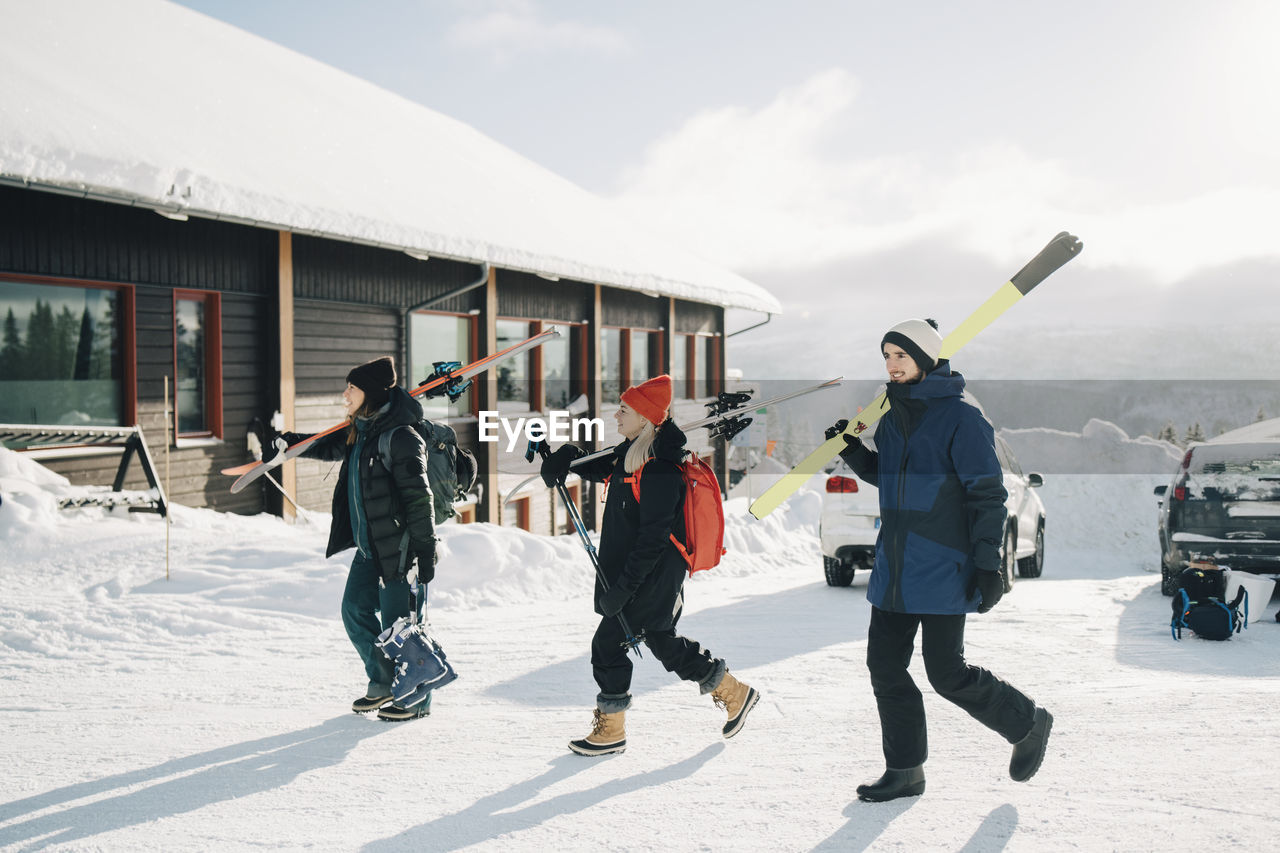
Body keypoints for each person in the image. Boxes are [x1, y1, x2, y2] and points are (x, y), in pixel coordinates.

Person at [829, 318, 1052, 802]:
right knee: (884, 667)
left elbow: (987, 496)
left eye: (900, 356)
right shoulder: (891, 417)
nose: (891, 365)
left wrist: (988, 563)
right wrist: (852, 452)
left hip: (943, 566)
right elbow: (888, 478)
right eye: (886, 356)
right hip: (894, 566)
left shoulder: (962, 420)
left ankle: (1028, 722)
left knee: (946, 672)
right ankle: (905, 770)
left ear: (926, 359)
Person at [540, 374, 760, 755]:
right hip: (640, 572)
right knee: (661, 641)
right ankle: (734, 691)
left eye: (623, 410)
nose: (615, 415)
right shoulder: (632, 454)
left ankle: (611, 730)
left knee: (608, 644)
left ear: (644, 417)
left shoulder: (661, 469)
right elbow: (595, 465)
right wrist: (565, 458)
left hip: (653, 572)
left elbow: (652, 540)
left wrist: (623, 589)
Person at [272, 356, 438, 722]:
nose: (344, 394)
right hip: (370, 548)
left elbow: (419, 498)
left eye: (352, 387)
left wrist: (425, 551)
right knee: (354, 610)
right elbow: (329, 445)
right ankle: (382, 682)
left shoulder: (401, 437)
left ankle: (417, 698)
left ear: (372, 393)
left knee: (401, 628)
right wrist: (292, 443)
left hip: (399, 549)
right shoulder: (361, 431)